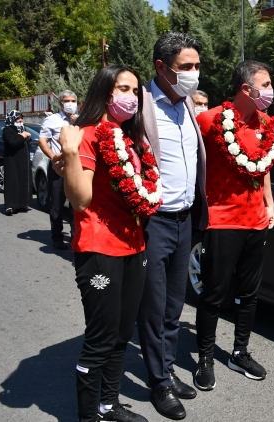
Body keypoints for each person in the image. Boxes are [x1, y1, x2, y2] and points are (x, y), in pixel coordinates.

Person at [54, 64, 153, 422]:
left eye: (134, 91)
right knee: (101, 337)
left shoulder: (129, 136)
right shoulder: (87, 134)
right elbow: (79, 201)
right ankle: (87, 415)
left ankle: (108, 405)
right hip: (99, 249)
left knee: (123, 333)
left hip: (135, 245)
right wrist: (67, 154)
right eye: (122, 89)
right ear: (104, 92)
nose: (130, 97)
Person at [194, 60, 274, 392]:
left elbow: (264, 167)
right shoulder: (209, 119)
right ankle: (204, 358)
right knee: (214, 293)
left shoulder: (267, 124)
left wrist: (270, 204)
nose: (271, 91)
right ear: (248, 88)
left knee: (249, 293)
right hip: (222, 222)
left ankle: (240, 352)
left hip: (256, 222)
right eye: (267, 84)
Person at [136, 32, 208, 420]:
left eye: (197, 66)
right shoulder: (140, 107)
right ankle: (158, 383)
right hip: (153, 222)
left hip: (185, 221)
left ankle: (165, 369)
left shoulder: (188, 108)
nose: (194, 74)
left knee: (173, 305)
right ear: (162, 68)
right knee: (152, 306)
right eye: (186, 67)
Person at [39, 90, 78, 249]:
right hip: (59, 168)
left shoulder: (81, 120)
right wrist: (53, 156)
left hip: (76, 168)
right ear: (61, 103)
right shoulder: (52, 120)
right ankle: (57, 237)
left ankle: (76, 237)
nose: (70, 104)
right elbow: (42, 141)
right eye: (67, 100)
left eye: (73, 101)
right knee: (57, 203)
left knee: (76, 205)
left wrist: (77, 123)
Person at [2, 110, 33, 216]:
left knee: (23, 180)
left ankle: (22, 204)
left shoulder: (22, 129)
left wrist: (28, 137)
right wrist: (22, 136)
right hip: (12, 161)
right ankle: (10, 205)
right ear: (11, 119)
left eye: (21, 118)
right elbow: (12, 143)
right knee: (12, 181)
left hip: (23, 160)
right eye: (17, 118)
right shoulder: (7, 130)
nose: (20, 120)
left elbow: (24, 143)